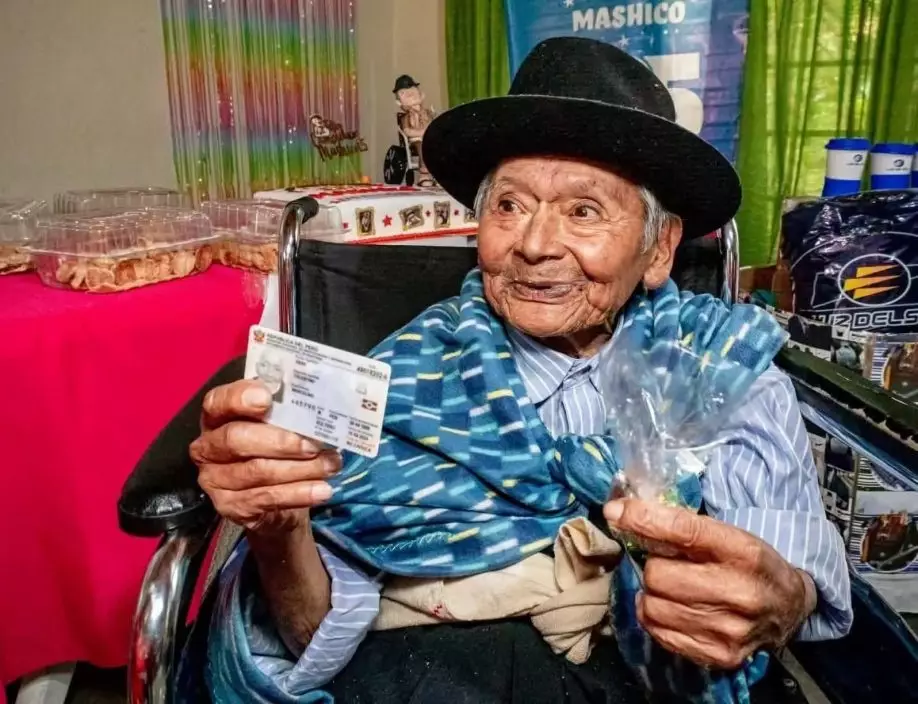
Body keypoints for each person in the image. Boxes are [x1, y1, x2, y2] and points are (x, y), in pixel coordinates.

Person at [192, 38, 852, 703]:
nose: (534, 245)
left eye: (583, 212)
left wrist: (781, 598)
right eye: (509, 206)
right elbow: (310, 635)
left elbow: (789, 584)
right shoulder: (406, 377)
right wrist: (280, 531)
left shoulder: (718, 367)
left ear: (659, 249)